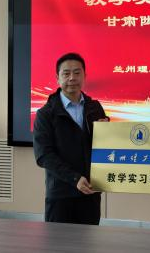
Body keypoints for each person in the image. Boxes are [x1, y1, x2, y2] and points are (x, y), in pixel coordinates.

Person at [33, 52, 109, 224]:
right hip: (61, 195)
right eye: (66, 73)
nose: (72, 78)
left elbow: (104, 147)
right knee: (59, 240)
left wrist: (106, 132)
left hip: (90, 191)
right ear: (57, 78)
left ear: (84, 76)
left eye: (77, 72)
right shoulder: (46, 114)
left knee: (89, 239)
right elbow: (43, 155)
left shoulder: (95, 108)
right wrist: (74, 179)